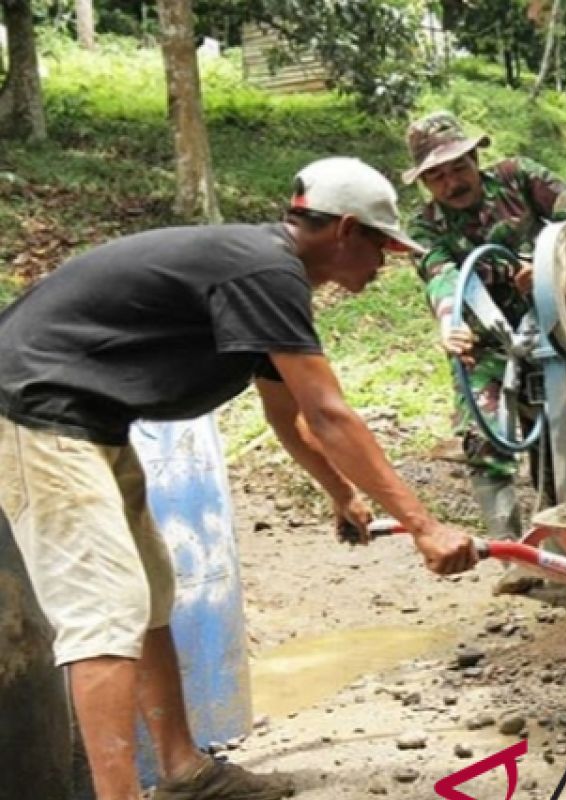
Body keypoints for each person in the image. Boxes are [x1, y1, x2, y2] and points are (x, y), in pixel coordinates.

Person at [0, 157, 478, 800]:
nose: (385, 261)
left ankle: (183, 771)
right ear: (344, 231)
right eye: (381, 243)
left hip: (88, 419)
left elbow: (292, 419)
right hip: (36, 412)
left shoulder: (268, 278)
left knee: (149, 593)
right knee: (105, 613)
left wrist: (342, 494)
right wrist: (425, 525)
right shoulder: (266, 271)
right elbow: (330, 412)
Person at [402, 111, 566, 593]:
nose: (451, 183)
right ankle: (512, 554)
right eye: (436, 176)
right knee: (485, 435)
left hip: (550, 328)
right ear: (425, 182)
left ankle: (559, 547)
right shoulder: (425, 227)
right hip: (486, 343)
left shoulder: (519, 179)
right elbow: (441, 273)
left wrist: (546, 262)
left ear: (476, 158)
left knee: (556, 444)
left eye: (457, 168)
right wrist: (450, 321)